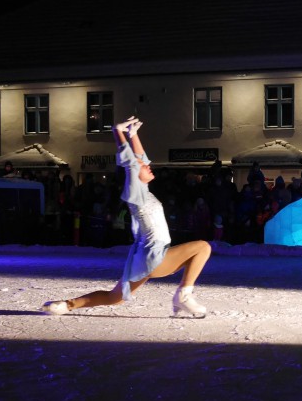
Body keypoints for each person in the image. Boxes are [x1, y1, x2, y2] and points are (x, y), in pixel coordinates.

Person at [41, 117, 212, 318]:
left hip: (145, 257)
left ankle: (65, 305)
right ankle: (183, 297)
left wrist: (133, 134)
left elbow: (140, 159)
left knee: (115, 297)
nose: (147, 166)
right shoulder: (136, 195)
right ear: (133, 174)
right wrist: (117, 132)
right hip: (154, 256)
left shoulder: (143, 191)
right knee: (203, 247)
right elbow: (131, 162)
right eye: (142, 166)